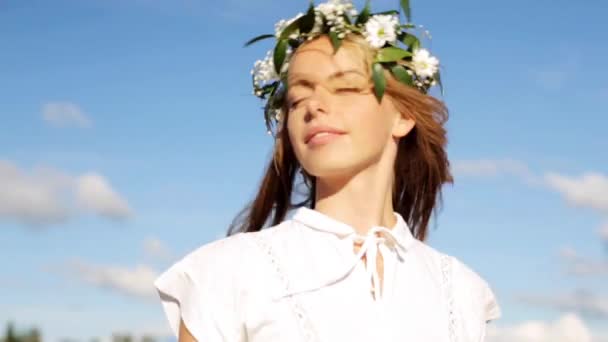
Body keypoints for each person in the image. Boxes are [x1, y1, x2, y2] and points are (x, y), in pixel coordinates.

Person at [153, 1, 501, 341]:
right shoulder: (226, 272)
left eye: (346, 87)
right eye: (297, 99)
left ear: (403, 115)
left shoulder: (461, 290)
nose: (315, 106)